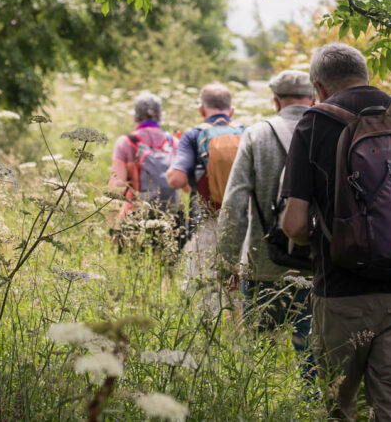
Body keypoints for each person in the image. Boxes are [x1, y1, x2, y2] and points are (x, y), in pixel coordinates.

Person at [280, 43, 391, 421]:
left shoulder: (314, 123)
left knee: (341, 408)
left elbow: (294, 225)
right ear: (366, 75)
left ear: (319, 88)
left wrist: (332, 237)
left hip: (342, 295)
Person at [216, 70, 317, 380]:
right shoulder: (328, 133)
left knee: (259, 357)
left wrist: (227, 262)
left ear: (276, 102)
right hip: (316, 265)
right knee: (311, 357)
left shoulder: (257, 135)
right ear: (314, 98)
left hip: (263, 263)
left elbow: (234, 204)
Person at [166, 83, 245, 286]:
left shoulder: (193, 136)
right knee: (238, 285)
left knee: (203, 284)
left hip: (206, 220)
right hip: (244, 221)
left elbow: (177, 180)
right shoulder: (247, 132)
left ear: (201, 110)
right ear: (232, 110)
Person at [108, 92, 181, 248]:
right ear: (160, 115)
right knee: (167, 268)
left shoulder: (126, 142)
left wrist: (113, 226)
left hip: (135, 217)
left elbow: (116, 186)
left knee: (131, 268)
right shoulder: (173, 142)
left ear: (136, 115)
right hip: (170, 219)